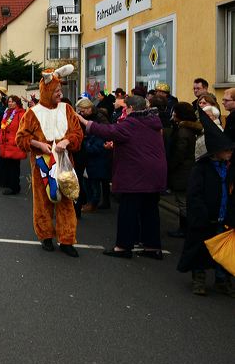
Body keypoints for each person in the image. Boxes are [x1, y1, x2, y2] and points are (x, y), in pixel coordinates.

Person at [78, 95, 167, 259]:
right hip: (155, 173)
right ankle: (152, 247)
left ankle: (123, 247)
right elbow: (137, 142)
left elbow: (107, 131)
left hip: (136, 174)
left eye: (125, 108)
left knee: (128, 210)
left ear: (131, 109)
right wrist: (117, 144)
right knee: (150, 210)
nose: (123, 111)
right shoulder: (152, 122)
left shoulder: (132, 123)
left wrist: (84, 122)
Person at [15, 65, 83, 257]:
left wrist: (67, 141)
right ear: (46, 91)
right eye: (56, 91)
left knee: (66, 202)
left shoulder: (67, 109)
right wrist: (38, 144)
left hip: (64, 163)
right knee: (43, 202)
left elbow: (77, 133)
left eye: (60, 91)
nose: (59, 94)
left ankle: (67, 240)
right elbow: (20, 138)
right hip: (42, 165)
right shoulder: (32, 113)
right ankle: (45, 237)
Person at [176, 113, 235, 296]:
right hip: (205, 217)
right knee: (200, 250)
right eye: (227, 150)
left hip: (224, 216)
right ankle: (199, 279)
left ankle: (222, 280)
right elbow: (194, 194)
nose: (230, 153)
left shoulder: (229, 168)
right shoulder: (201, 169)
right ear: (216, 151)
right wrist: (200, 214)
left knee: (222, 251)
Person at [167, 102, 203, 238]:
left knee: (183, 202)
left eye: (174, 112)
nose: (173, 114)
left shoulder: (183, 131)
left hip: (183, 171)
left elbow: (179, 153)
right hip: (187, 169)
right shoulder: (190, 129)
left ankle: (185, 229)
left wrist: (171, 166)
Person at [74, 98, 112, 213]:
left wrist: (88, 144)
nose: (81, 113)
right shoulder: (91, 116)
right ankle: (92, 202)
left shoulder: (100, 118)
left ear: (89, 108)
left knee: (95, 180)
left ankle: (95, 203)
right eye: (79, 111)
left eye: (83, 111)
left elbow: (105, 133)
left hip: (98, 151)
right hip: (91, 150)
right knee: (90, 179)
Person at [0, 95, 26, 195]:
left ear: (17, 103)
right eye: (9, 101)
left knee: (14, 167)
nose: (10, 103)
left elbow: (23, 129)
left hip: (14, 144)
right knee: (7, 166)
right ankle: (9, 185)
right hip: (5, 144)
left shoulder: (21, 114)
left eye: (12, 102)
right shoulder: (6, 113)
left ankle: (14, 187)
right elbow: (3, 127)